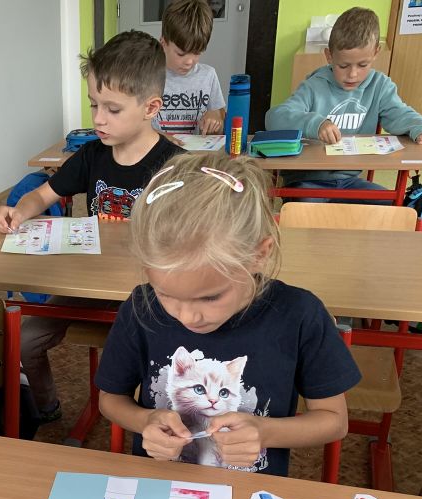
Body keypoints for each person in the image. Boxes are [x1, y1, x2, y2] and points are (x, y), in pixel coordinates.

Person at [95, 153, 361, 475]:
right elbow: (111, 399)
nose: (188, 317)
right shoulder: (141, 307)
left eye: (210, 297)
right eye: (166, 294)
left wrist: (264, 431)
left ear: (259, 255)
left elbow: (334, 421)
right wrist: (145, 420)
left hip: (250, 491)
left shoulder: (300, 315)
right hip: (162, 484)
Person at [0, 30, 184, 422]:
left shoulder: (175, 166)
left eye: (112, 109)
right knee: (26, 340)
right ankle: (47, 408)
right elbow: (41, 195)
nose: (98, 118)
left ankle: (138, 423)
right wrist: (19, 211)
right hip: (90, 285)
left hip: (151, 293)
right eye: (94, 104)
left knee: (136, 359)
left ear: (150, 107)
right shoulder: (92, 155)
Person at [265, 6, 422, 202]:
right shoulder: (313, 86)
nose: (352, 74)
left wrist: (421, 129)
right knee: (306, 212)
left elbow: (400, 114)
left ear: (376, 53)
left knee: (392, 208)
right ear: (329, 56)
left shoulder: (379, 86)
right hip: (307, 182)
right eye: (343, 65)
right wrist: (316, 124)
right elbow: (274, 118)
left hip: (350, 182)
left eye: (362, 65)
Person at [155, 0, 225, 137]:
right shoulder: (148, 76)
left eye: (197, 53)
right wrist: (163, 139)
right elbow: (137, 127)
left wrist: (215, 119)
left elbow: (220, 120)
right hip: (159, 149)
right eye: (181, 54)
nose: (189, 62)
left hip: (195, 149)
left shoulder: (208, 76)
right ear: (163, 43)